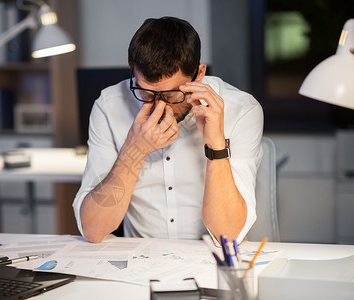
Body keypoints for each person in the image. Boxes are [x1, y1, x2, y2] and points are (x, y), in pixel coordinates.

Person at [73, 16, 263, 244]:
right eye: (146, 93)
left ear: (199, 74)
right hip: (139, 261)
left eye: (171, 95)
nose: (159, 106)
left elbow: (228, 234)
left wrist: (216, 147)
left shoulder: (242, 110)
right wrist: (134, 149)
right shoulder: (109, 106)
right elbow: (93, 229)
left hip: (210, 258)